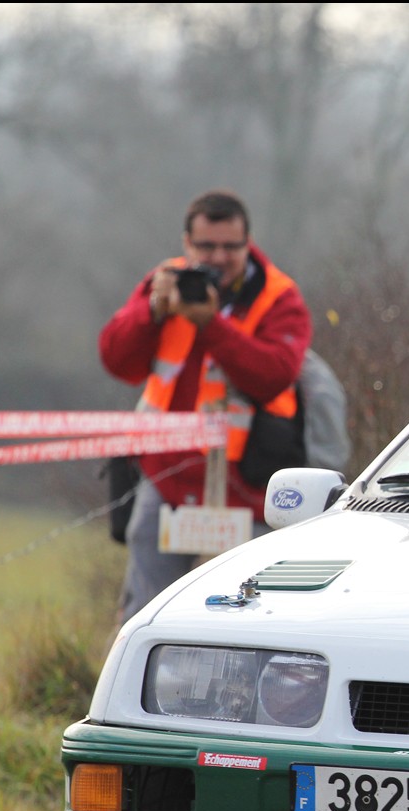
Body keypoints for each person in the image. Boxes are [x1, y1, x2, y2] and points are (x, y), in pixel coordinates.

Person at [100, 189, 312, 622]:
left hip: (246, 483)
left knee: (245, 614)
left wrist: (210, 325)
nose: (218, 258)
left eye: (231, 247)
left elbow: (273, 374)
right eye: (206, 246)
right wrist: (152, 311)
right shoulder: (166, 283)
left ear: (248, 243)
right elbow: (116, 360)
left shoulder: (279, 297)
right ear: (186, 244)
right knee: (146, 613)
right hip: (168, 472)